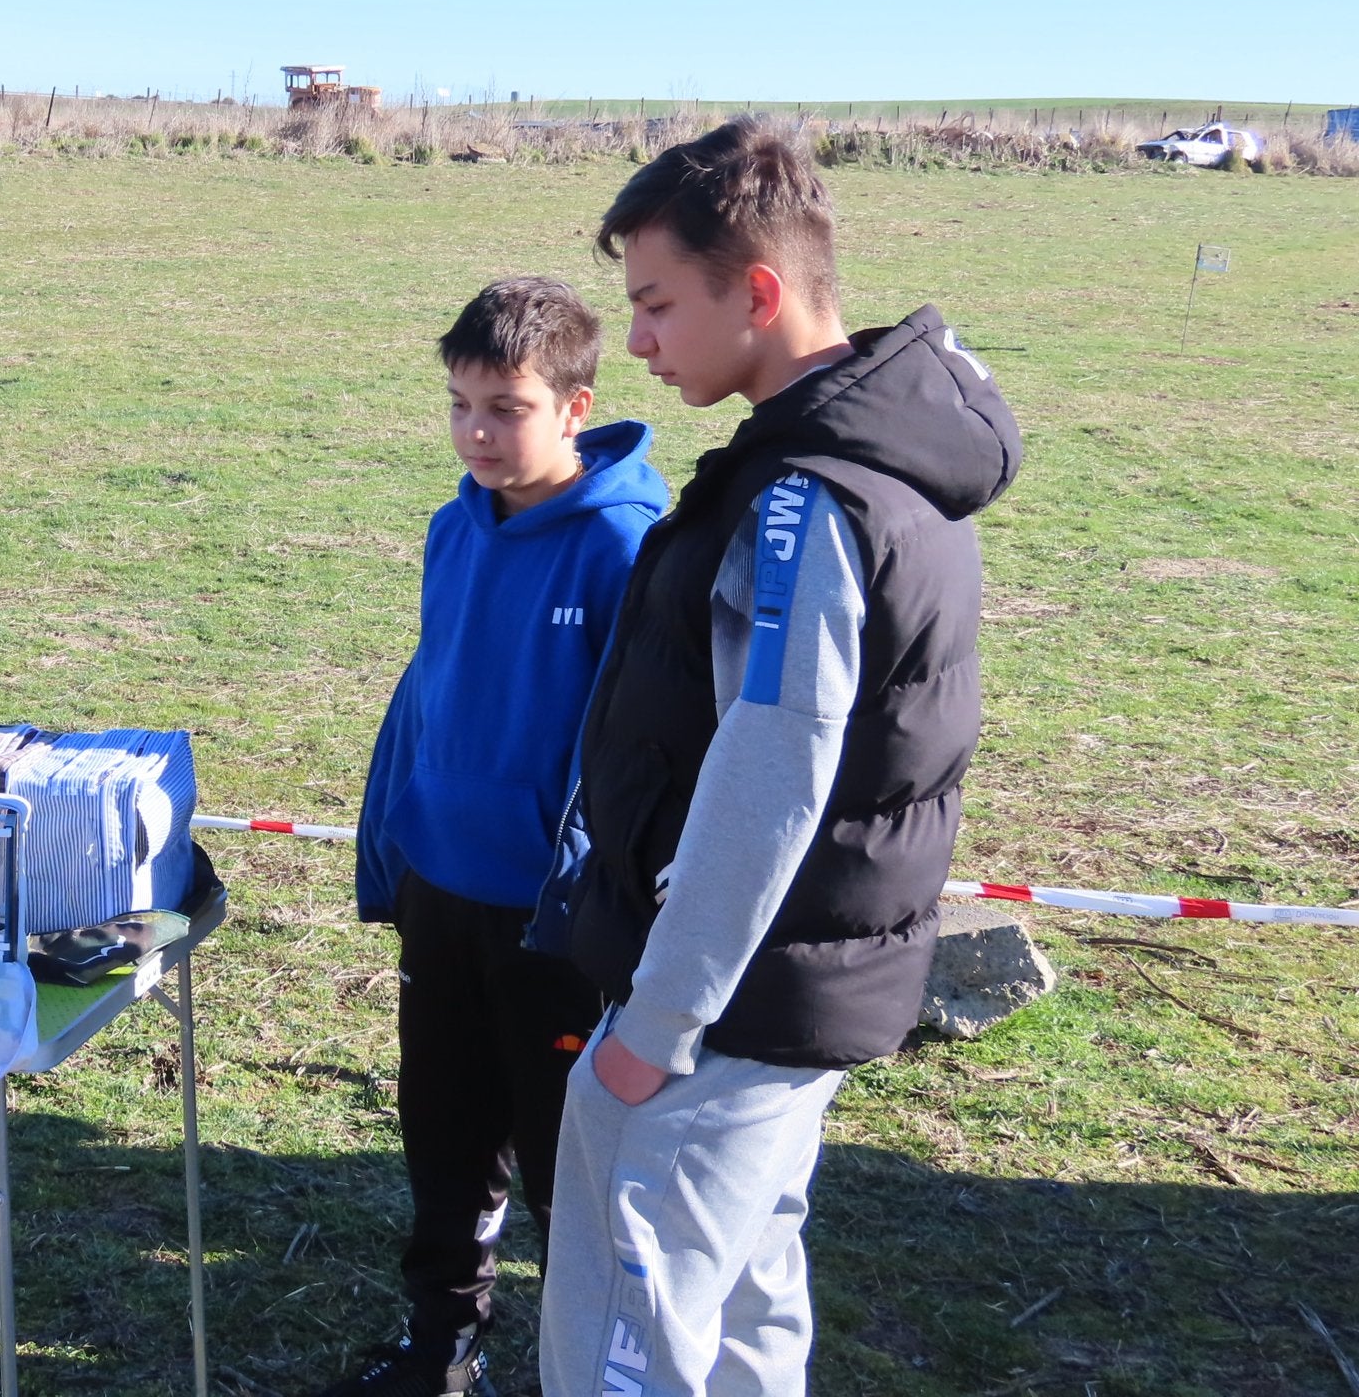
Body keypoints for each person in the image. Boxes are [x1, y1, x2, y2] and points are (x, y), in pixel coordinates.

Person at [536, 122, 1022, 1397]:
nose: (634, 341)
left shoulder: (808, 502)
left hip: (715, 1021)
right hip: (780, 1005)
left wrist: (655, 1024)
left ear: (755, 290)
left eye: (652, 304)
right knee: (747, 1314)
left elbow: (769, 782)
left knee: (624, 1353)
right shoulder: (870, 470)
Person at [330, 277, 668, 1397]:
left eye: (506, 408)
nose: (476, 432)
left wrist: (587, 894)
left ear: (574, 406)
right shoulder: (451, 528)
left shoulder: (626, 548)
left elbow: (635, 757)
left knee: (565, 1166)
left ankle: (584, 1364)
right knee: (442, 1129)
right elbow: (430, 694)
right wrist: (399, 837)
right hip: (443, 888)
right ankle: (440, 1347)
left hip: (551, 922)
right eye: (459, 404)